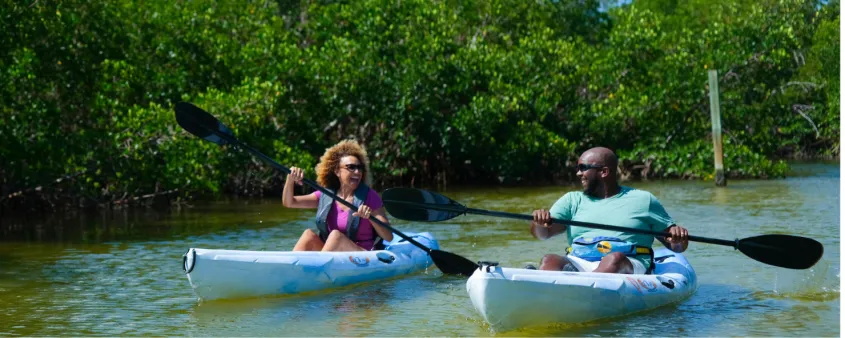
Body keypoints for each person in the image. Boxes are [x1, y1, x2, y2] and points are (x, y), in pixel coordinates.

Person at [529, 147, 689, 274]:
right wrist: (539, 224)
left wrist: (678, 239)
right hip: (580, 261)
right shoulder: (571, 200)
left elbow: (676, 248)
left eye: (583, 168)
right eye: (577, 168)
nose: (578, 173)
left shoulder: (643, 200)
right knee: (549, 260)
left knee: (614, 259)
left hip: (627, 262)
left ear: (604, 172)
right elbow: (543, 235)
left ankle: (583, 289)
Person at [282, 139, 393, 251]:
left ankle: (320, 266)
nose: (357, 172)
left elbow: (388, 236)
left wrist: (371, 217)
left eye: (360, 168)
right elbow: (289, 202)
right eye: (351, 167)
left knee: (336, 236)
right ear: (337, 171)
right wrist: (290, 179)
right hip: (332, 254)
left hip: (361, 254)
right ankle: (289, 268)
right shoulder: (325, 195)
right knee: (308, 235)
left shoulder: (370, 196)